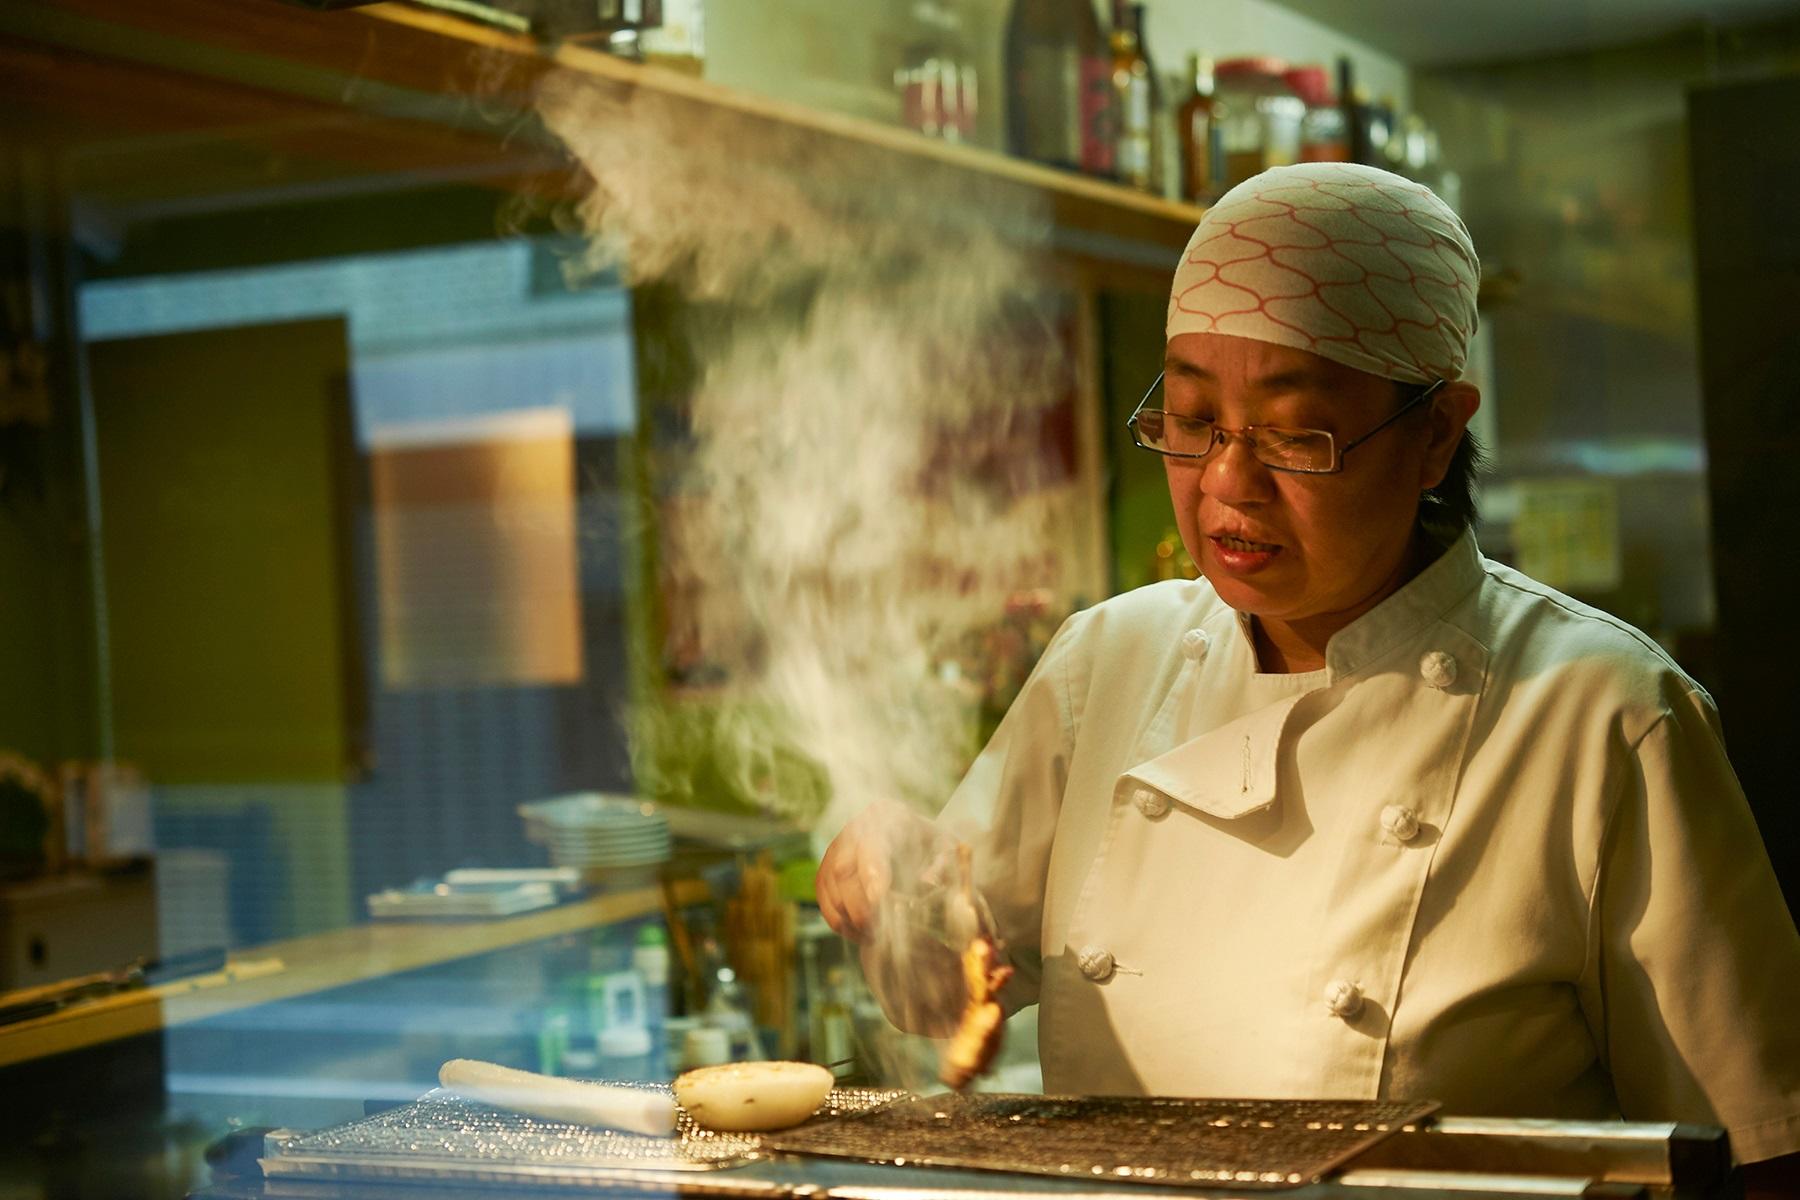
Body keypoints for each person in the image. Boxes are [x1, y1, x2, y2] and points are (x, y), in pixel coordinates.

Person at [816, 162, 1800, 1180]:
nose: (1229, 484)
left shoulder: (1602, 714)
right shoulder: (1102, 665)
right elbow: (944, 993)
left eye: (1296, 434)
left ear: (1434, 434)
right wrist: (898, 895)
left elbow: (1759, 1143)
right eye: (1193, 425)